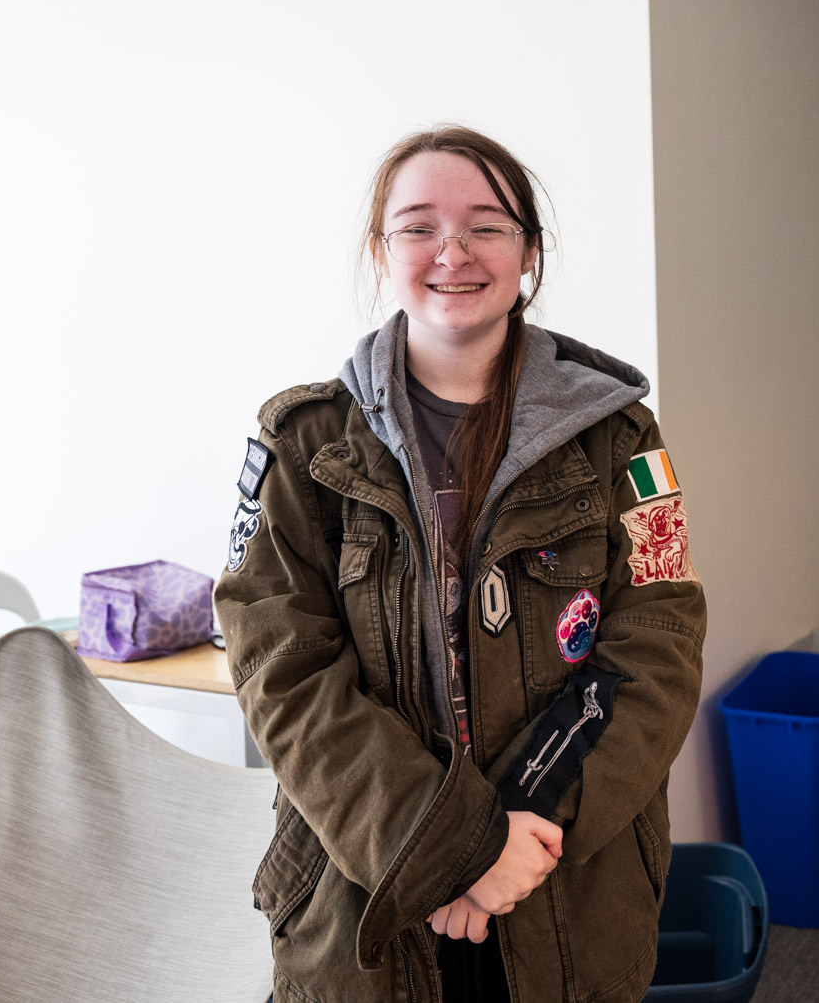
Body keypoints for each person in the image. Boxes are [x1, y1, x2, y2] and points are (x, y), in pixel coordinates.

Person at [214, 126, 706, 1003]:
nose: (453, 252)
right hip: (367, 903)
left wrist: (517, 834)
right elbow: (282, 673)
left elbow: (659, 641)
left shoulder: (622, 435)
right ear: (381, 251)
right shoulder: (301, 446)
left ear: (529, 251)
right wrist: (455, 849)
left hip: (562, 886)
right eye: (419, 226)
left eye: (486, 225)